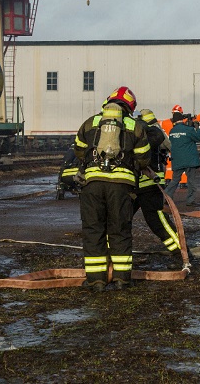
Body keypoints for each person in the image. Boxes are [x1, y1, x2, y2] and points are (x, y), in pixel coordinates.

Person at [73, 86, 151, 292]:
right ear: (130, 106)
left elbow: (78, 150)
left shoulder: (91, 122)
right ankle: (122, 280)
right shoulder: (135, 126)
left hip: (92, 184)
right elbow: (144, 158)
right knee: (120, 230)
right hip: (121, 187)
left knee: (93, 230)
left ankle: (96, 281)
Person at [133, 109, 182, 255]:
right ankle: (181, 252)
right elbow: (167, 145)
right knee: (157, 222)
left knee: (118, 222)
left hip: (141, 183)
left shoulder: (136, 131)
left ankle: (181, 252)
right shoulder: (154, 131)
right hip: (143, 183)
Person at [161, 104, 200, 185]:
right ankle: (183, 182)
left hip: (171, 146)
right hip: (181, 147)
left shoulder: (165, 122)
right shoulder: (184, 122)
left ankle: (168, 180)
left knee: (170, 165)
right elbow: (196, 120)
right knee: (184, 165)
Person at [163, 112, 200, 206]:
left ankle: (167, 198)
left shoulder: (172, 131)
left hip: (177, 160)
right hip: (190, 160)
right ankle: (190, 200)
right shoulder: (189, 129)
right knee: (191, 181)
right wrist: (197, 127)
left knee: (174, 181)